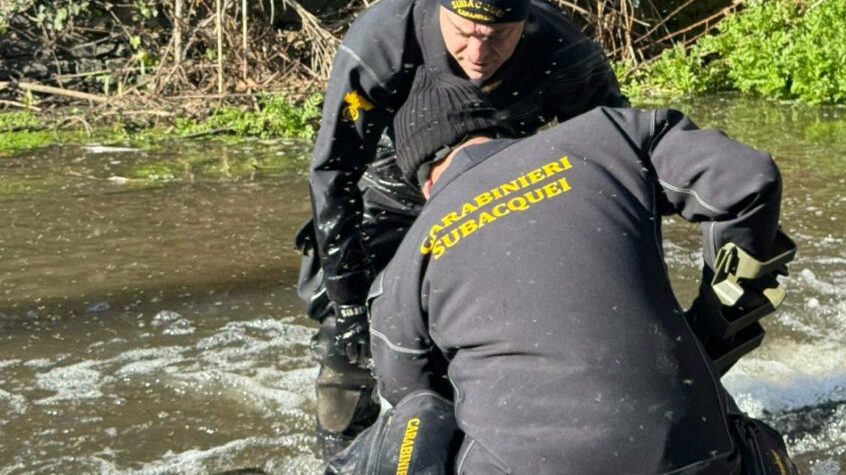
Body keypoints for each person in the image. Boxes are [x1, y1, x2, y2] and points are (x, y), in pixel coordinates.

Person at [326, 69, 798, 474]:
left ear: (421, 180)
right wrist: (716, 327)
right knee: (731, 423)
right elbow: (748, 181)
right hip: (696, 459)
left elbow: (412, 397)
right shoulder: (607, 135)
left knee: (413, 419)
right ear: (493, 126)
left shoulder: (408, 259)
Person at [299, 0, 627, 458]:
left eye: (499, 36)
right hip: (386, 199)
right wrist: (349, 302)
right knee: (348, 354)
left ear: (524, 22)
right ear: (440, 7)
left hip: (496, 196)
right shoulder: (385, 41)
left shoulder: (561, 51)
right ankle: (337, 452)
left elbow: (618, 160)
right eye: (463, 31)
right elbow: (331, 173)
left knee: (500, 335)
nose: (478, 52)